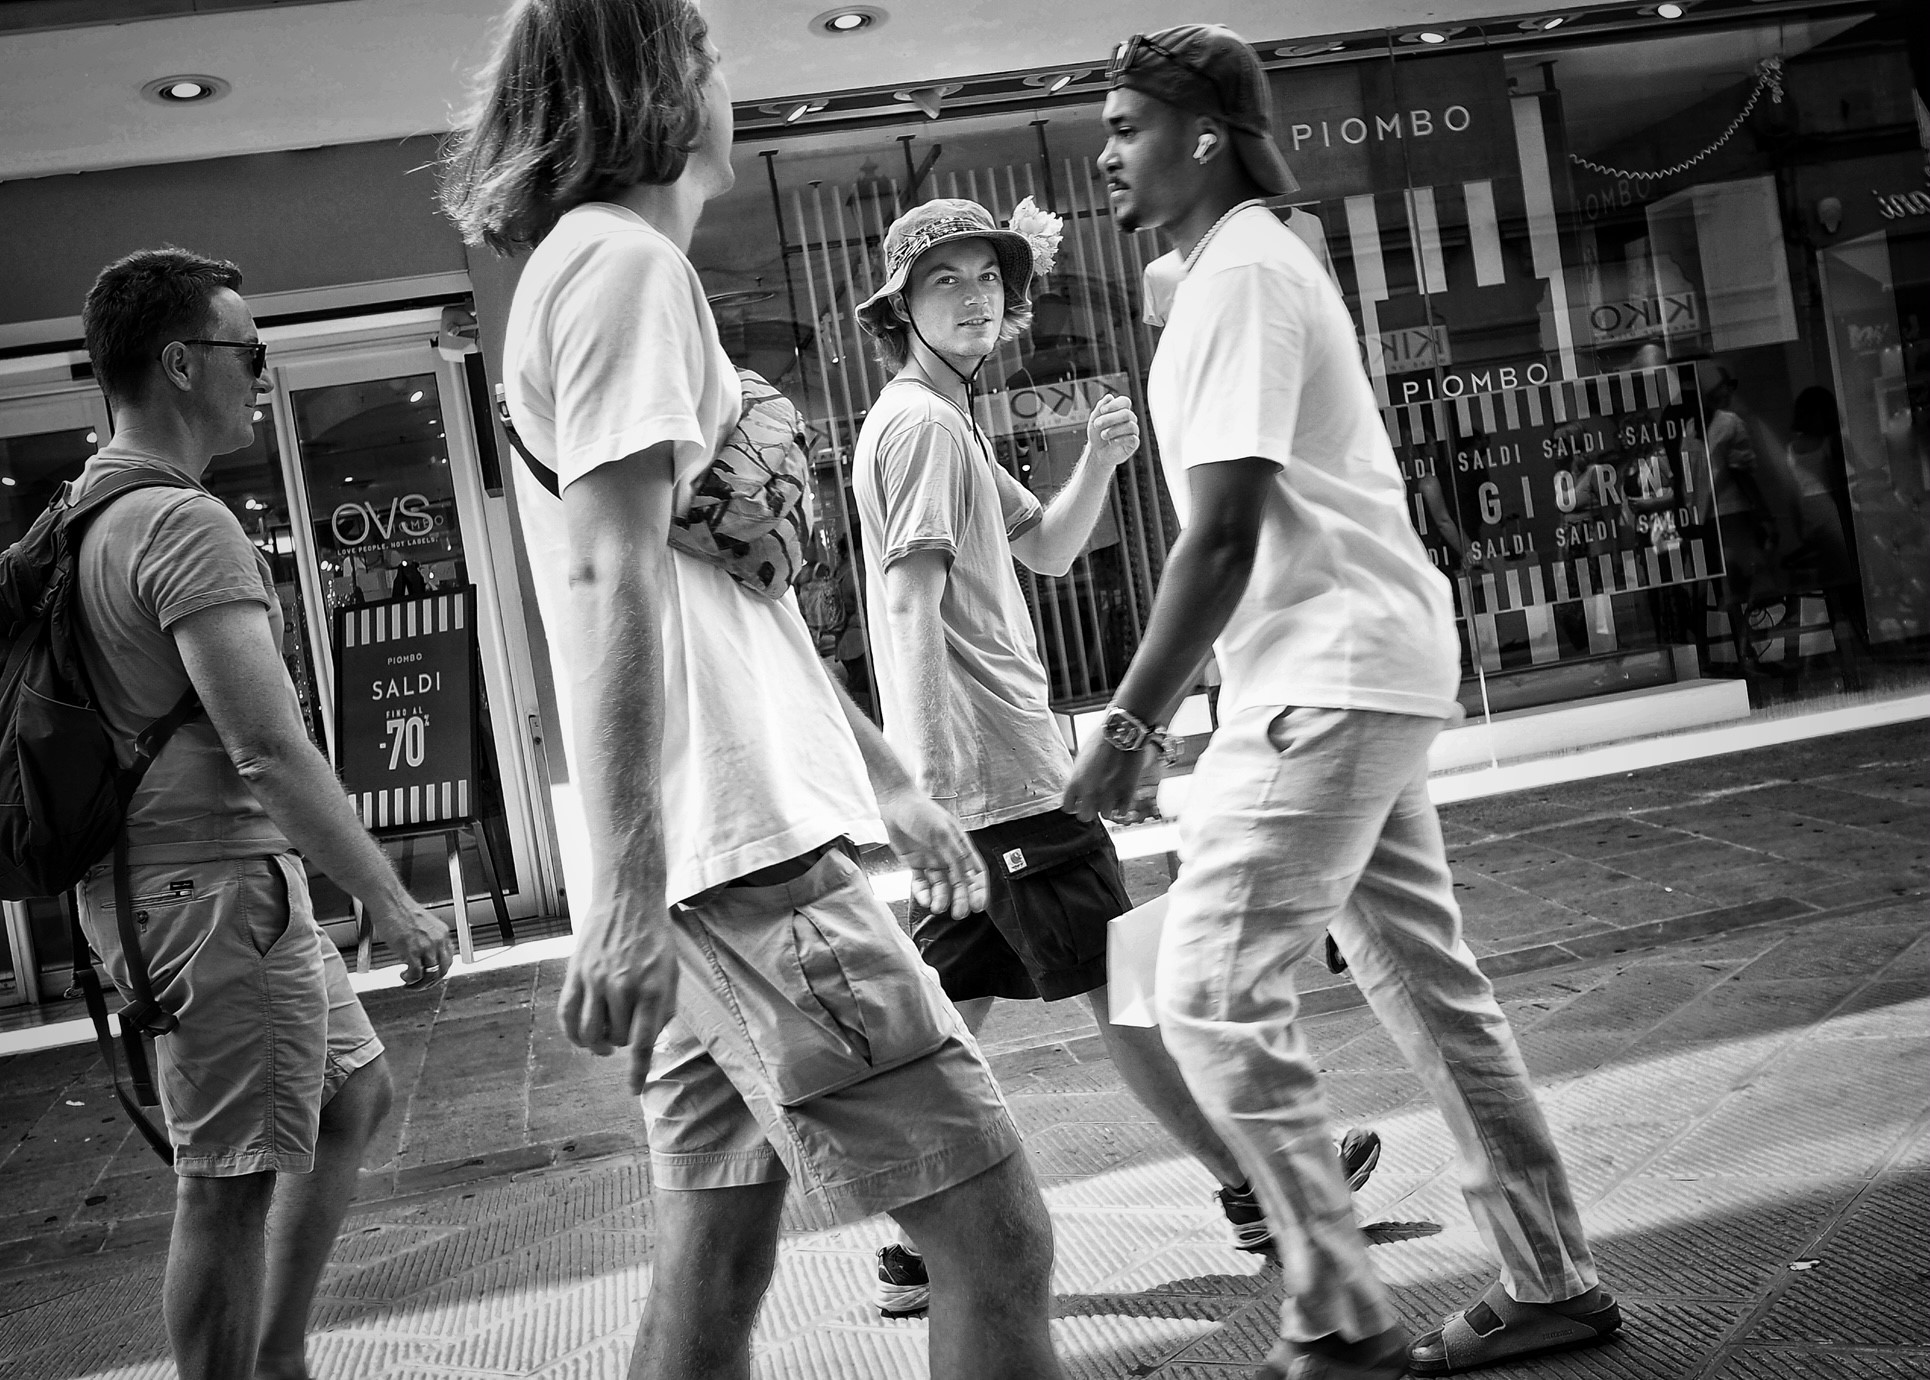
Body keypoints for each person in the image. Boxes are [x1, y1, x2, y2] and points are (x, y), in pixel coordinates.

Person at [441, 3, 1062, 1376]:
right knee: (996, 1241)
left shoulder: (595, 268)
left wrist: (887, 782)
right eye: (709, 57)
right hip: (744, 864)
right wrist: (618, 892)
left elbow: (721, 597)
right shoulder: (621, 265)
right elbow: (608, 575)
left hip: (714, 859)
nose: (729, 83)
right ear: (657, 84)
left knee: (712, 1265)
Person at [1065, 26, 1621, 1379]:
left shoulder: (1243, 270)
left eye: (1127, 126)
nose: (1105, 153)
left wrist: (1129, 727)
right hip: (1350, 662)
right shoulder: (1233, 268)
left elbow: (1222, 532)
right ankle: (1549, 1279)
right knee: (1428, 989)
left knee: (1203, 989)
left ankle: (1337, 1312)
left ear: (1204, 136)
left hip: (1326, 675)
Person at [850, 197, 1380, 1314]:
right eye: (944, 281)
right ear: (900, 310)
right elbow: (908, 606)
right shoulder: (920, 428)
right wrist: (925, 787)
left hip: (990, 782)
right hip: (1000, 784)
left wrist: (1094, 460)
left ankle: (914, 1251)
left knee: (949, 1017)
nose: (975, 297)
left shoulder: (943, 420)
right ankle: (1261, 1190)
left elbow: (1046, 546)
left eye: (987, 277)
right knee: (1127, 993)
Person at [72, 247, 455, 1380]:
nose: (263, 373)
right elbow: (267, 747)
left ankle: (277, 1357)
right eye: (249, 351)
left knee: (351, 1096)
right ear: (180, 363)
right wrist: (390, 900)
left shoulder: (87, 513)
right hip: (211, 895)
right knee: (226, 1184)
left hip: (176, 888)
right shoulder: (180, 525)